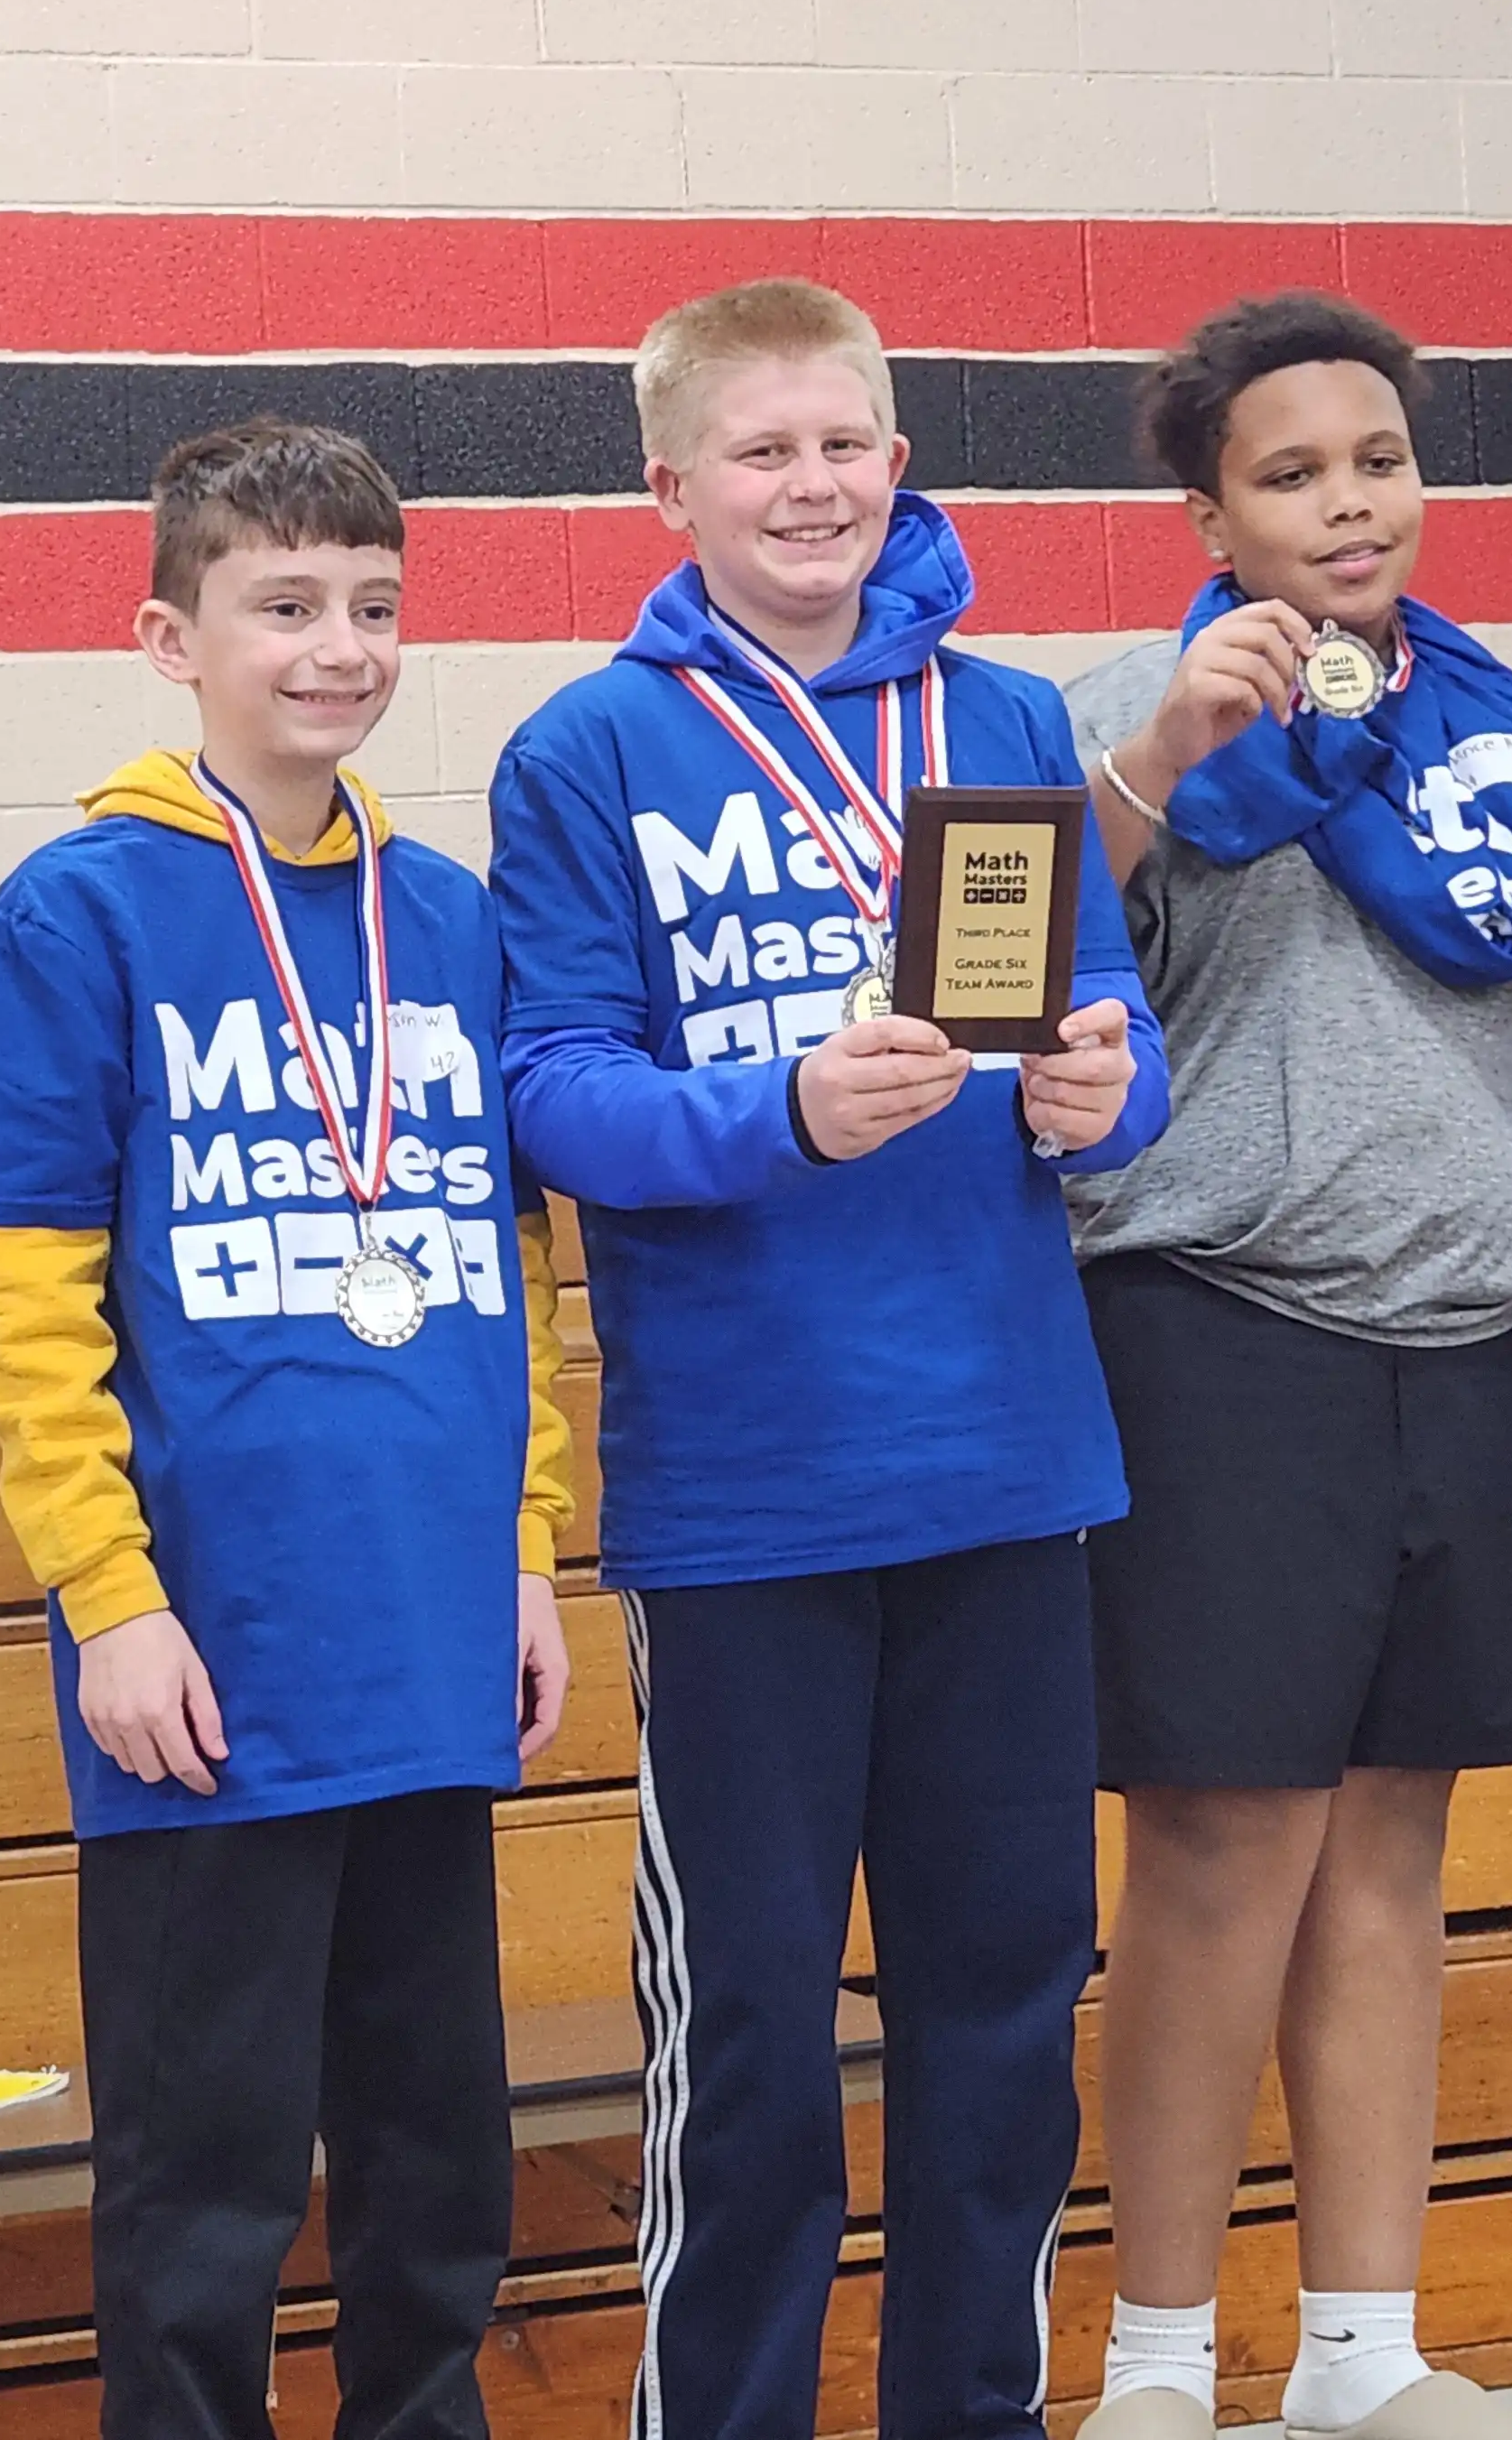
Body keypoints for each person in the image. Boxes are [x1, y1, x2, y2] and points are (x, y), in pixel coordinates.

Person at [482, 278, 1167, 2440]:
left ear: (899, 456)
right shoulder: (588, 750)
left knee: (1001, 2025)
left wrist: (1097, 1097)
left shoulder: (1002, 722)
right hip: (750, 1497)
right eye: (761, 453)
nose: (811, 488)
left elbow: (1109, 1029)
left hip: (1007, 1466)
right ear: (668, 485)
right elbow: (551, 1096)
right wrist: (772, 1112)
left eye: (844, 444)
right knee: (754, 2044)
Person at [0, 419, 580, 2440]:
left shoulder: (454, 918)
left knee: (434, 2178)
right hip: (203, 1653)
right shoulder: (77, 914)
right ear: (169, 635)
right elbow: (23, 1300)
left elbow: (513, 1277)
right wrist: (105, 1599)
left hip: (425, 1634)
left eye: (374, 607)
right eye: (283, 607)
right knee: (204, 2189)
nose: (338, 648)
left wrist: (525, 1552)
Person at [1062, 292, 1512, 2440]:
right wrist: (1162, 762)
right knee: (1219, 1859)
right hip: (1222, 1341)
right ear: (1208, 509)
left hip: (1470, 1349)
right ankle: (1156, 2364)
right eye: (1288, 474)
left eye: (1373, 458)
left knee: (1392, 1845)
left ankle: (1361, 2353)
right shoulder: (1132, 708)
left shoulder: (1496, 720)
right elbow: (990, 950)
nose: (1345, 502)